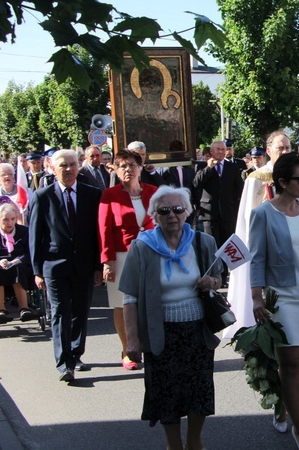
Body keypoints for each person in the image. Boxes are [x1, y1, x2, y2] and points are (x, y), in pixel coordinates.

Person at [120, 186, 224, 450]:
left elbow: (219, 278)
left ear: (187, 212)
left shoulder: (203, 242)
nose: (172, 215)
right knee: (166, 394)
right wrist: (131, 341)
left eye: (178, 209)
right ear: (155, 214)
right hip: (161, 334)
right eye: (164, 210)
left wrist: (210, 281)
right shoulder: (142, 247)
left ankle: (193, 441)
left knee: (199, 391)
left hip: (197, 332)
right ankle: (173, 445)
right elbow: (129, 297)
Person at [250, 153, 299, 446]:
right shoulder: (263, 214)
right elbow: (256, 259)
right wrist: (256, 298)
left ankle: (282, 406)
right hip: (284, 298)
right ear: (282, 182)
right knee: (292, 364)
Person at [28, 149, 102, 382]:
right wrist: (37, 270)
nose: (68, 169)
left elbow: (96, 233)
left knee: (80, 310)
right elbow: (35, 236)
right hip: (54, 264)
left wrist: (99, 265)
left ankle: (76, 353)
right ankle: (64, 363)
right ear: (52, 167)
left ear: (78, 167)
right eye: (63, 165)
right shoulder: (42, 196)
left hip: (84, 264)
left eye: (72, 164)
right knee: (61, 311)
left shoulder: (92, 194)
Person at [223, 131, 297, 340]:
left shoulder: (297, 176)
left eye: (287, 148)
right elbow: (248, 216)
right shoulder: (257, 178)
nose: (284, 151)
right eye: (280, 148)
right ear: (269, 151)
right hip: (265, 242)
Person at [98, 150, 157, 370]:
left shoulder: (153, 191)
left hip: (151, 254)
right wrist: (107, 261)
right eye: (121, 165)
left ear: (140, 168)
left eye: (132, 165)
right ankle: (128, 349)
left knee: (149, 301)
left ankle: (149, 345)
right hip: (121, 256)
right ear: (114, 169)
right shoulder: (109, 195)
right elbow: (104, 230)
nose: (127, 169)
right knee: (121, 304)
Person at [192, 140, 245, 270]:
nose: (221, 152)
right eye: (218, 149)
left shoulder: (232, 167)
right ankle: (216, 274)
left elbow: (239, 189)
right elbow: (196, 184)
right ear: (211, 151)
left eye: (223, 149)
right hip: (210, 213)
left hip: (228, 213)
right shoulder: (202, 166)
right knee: (212, 245)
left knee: (228, 245)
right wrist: (209, 168)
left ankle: (229, 273)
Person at [0, 204, 34, 323]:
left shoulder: (24, 231)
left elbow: (31, 252)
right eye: (6, 219)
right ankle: (0, 311)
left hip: (19, 265)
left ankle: (24, 308)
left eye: (13, 219)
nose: (10, 223)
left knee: (18, 267)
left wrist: (18, 259)